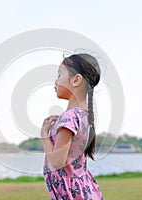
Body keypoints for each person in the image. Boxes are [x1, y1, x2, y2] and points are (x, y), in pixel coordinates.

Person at [41, 52, 104, 200]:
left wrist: (44, 135)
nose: (55, 81)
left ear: (76, 80)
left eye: (59, 75)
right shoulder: (85, 116)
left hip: (71, 194)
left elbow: (57, 162)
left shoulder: (69, 117)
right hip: (84, 189)